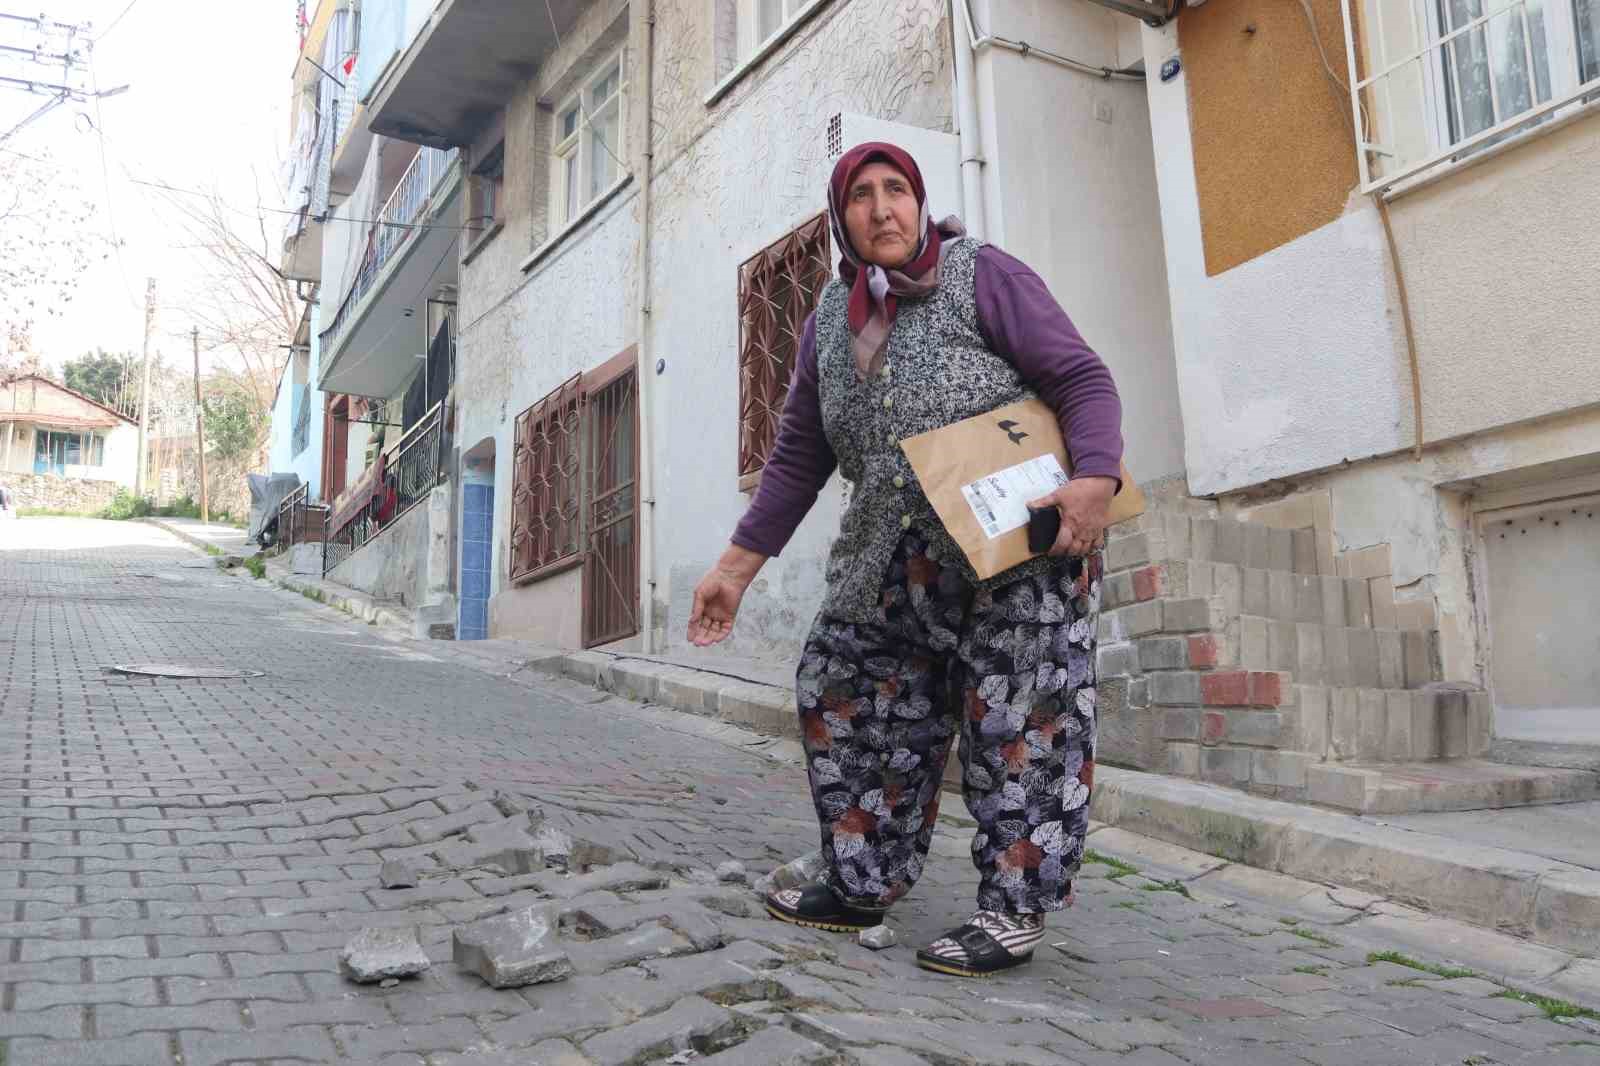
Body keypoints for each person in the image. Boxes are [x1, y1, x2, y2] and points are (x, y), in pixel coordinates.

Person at [687, 141, 1124, 978]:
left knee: (1021, 724)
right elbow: (797, 458)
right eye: (861, 196)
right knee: (841, 686)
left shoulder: (981, 274)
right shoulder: (827, 317)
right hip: (891, 555)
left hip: (1013, 551)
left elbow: (1081, 377)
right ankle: (862, 879)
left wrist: (1096, 476)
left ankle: (1014, 909)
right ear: (841, 217)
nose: (882, 208)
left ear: (919, 203)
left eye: (897, 191)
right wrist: (735, 571)